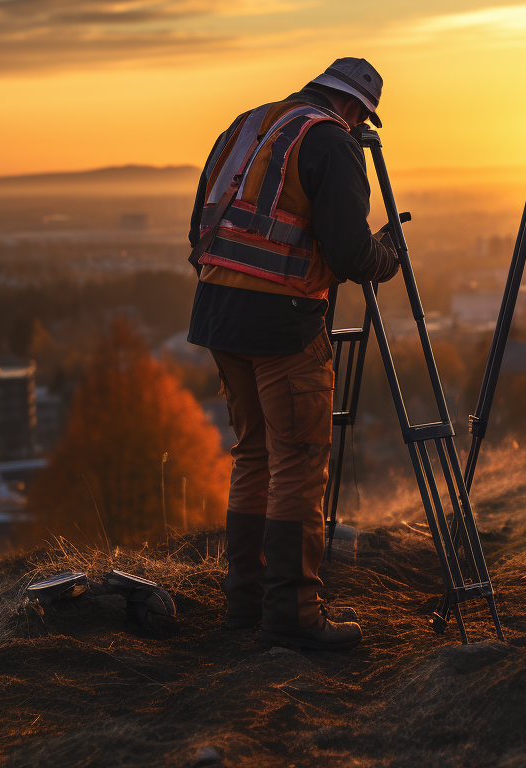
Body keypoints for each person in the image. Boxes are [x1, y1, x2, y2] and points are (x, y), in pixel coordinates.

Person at [187, 58, 400, 652]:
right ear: (357, 110)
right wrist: (388, 258)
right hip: (284, 323)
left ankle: (244, 608)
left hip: (219, 313)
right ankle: (292, 616)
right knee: (299, 465)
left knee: (253, 457)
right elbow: (352, 253)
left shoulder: (249, 126)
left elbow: (201, 225)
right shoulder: (329, 141)